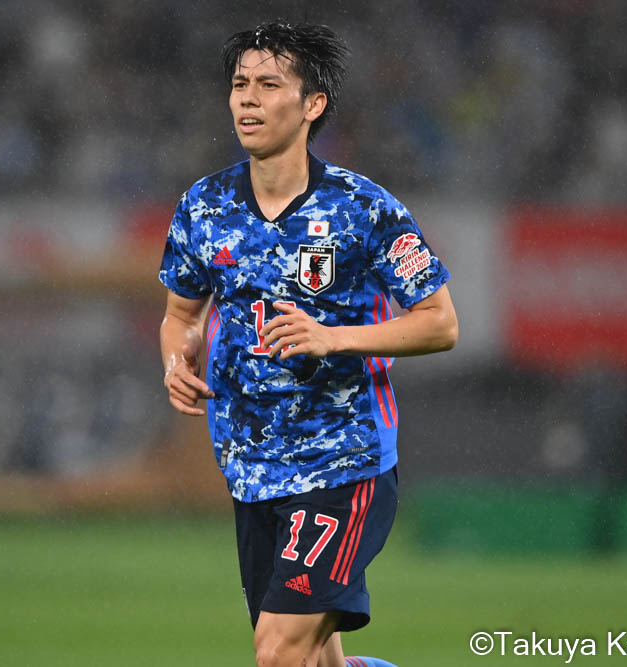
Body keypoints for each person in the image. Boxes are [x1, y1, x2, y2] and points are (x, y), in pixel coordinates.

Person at [158, 21, 457, 667]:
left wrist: (332, 337)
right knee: (313, 660)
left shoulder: (364, 209)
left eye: (269, 84)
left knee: (277, 652)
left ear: (312, 104)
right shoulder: (204, 207)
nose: (247, 98)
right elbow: (181, 313)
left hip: (341, 463)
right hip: (250, 467)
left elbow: (440, 322)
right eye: (240, 83)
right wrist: (176, 357)